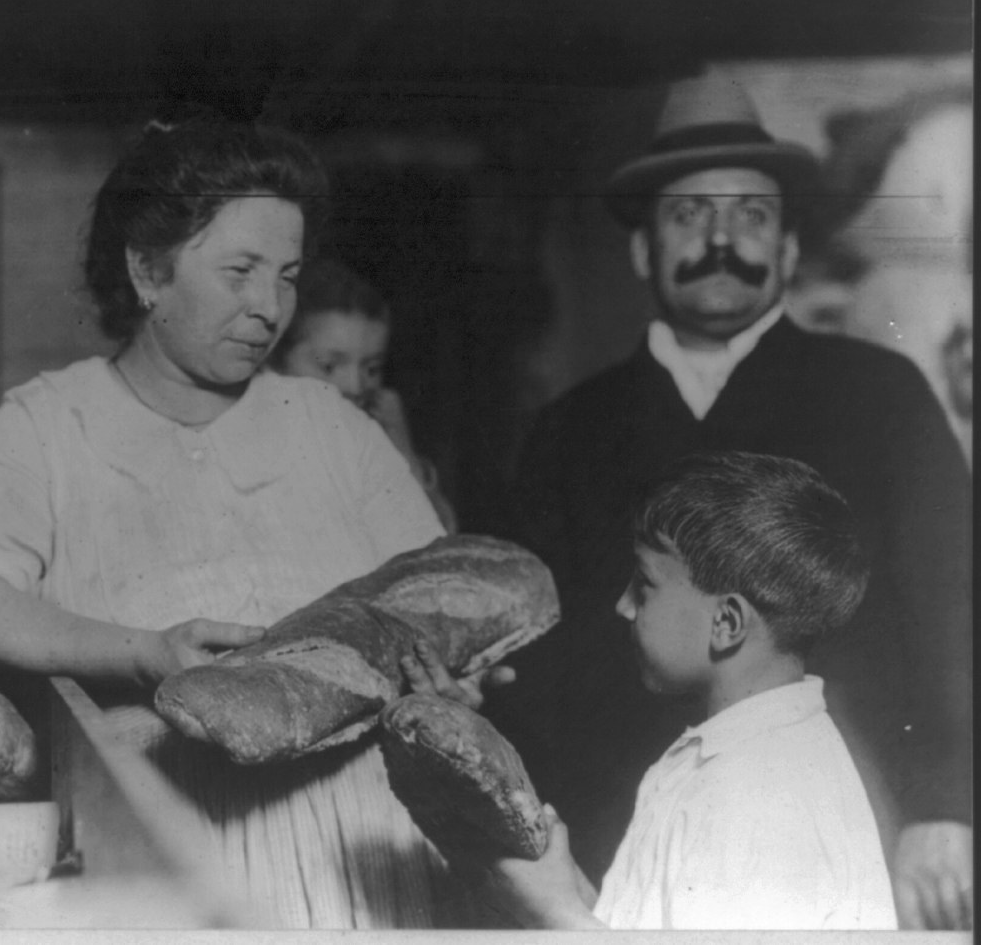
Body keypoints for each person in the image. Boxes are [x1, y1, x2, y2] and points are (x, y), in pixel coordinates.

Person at [0, 117, 453, 928]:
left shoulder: (332, 425)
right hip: (158, 856)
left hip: (366, 857)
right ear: (147, 270)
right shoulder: (52, 425)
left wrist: (448, 673)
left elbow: (430, 594)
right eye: (240, 271)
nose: (270, 308)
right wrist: (143, 654)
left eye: (289, 275)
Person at [483, 74, 972, 929]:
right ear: (642, 251)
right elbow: (534, 645)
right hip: (617, 834)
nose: (721, 240)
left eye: (750, 216)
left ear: (787, 250)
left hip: (850, 822)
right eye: (689, 216)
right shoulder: (570, 426)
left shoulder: (879, 393)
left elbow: (957, 608)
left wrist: (947, 803)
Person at [456, 452, 897, 929]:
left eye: (644, 586)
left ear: (726, 624)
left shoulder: (756, 798)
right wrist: (572, 893)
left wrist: (552, 912)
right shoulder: (752, 753)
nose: (624, 606)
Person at [269, 256, 458, 531]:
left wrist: (403, 453)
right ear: (275, 360)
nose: (355, 387)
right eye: (329, 366)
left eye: (371, 369)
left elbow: (438, 543)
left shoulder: (371, 441)